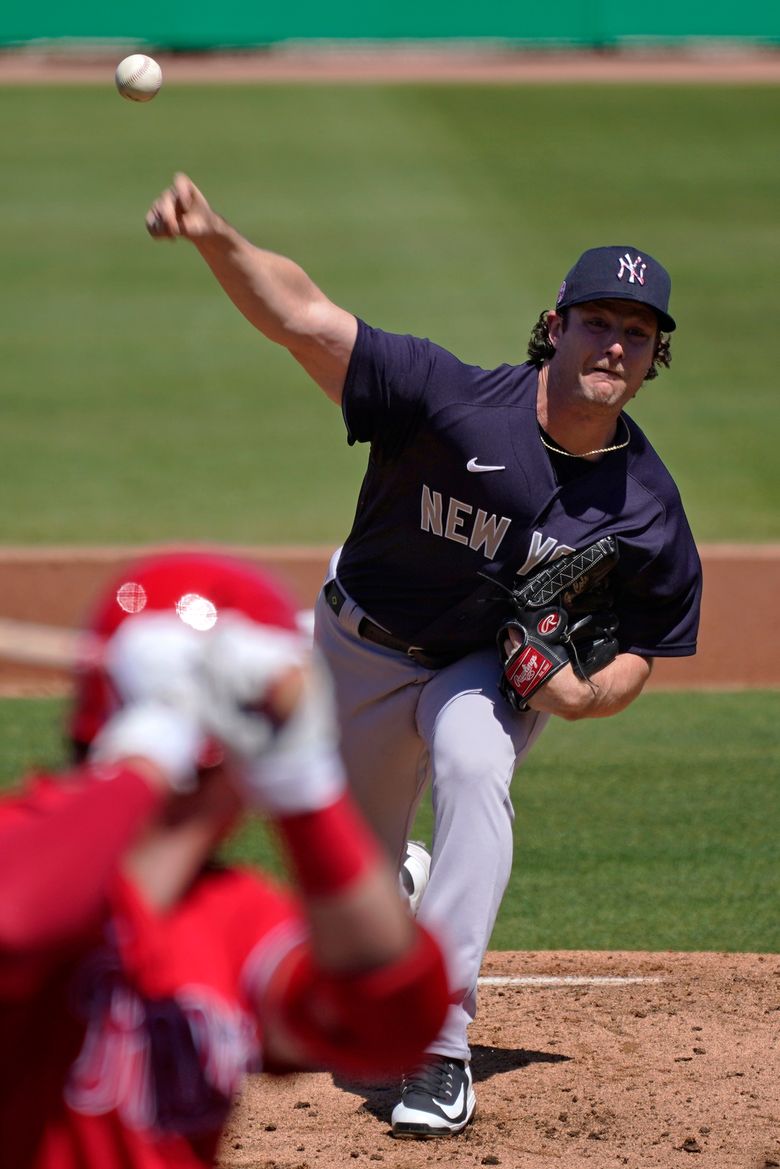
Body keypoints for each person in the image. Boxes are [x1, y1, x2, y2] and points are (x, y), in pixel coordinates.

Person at [144, 176, 703, 1138]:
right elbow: (304, 317)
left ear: (655, 358)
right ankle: (394, 878)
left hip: (478, 668)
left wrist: (583, 696)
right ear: (554, 325)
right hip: (357, 648)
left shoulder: (645, 506)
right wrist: (217, 236)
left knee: (477, 766)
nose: (615, 344)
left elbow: (645, 645)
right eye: (597, 321)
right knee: (349, 895)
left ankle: (439, 1049)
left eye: (638, 333)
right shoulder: (449, 401)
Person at [0, 548, 450, 1168]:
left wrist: (305, 790)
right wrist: (149, 753)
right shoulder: (20, 843)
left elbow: (396, 1024)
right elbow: (16, 919)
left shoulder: (234, 917)